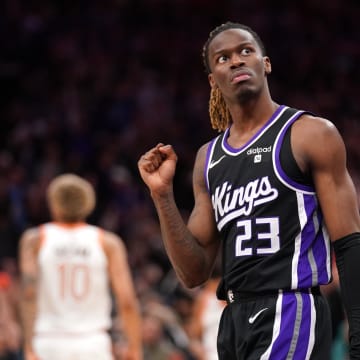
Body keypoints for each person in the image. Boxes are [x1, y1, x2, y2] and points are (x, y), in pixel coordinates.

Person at [138, 21, 360, 359]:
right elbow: (193, 272)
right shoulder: (208, 159)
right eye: (223, 58)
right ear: (213, 79)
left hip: (291, 307)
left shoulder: (309, 134)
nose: (237, 61)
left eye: (246, 51)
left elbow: (349, 243)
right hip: (233, 318)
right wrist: (162, 196)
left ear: (265, 63)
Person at [19, 173, 143, 360]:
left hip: (48, 340)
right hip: (92, 343)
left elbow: (28, 295)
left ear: (53, 203)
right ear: (89, 204)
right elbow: (126, 300)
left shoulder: (35, 239)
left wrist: (28, 345)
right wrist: (134, 346)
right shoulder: (107, 242)